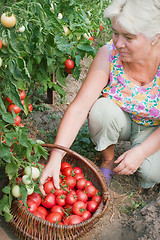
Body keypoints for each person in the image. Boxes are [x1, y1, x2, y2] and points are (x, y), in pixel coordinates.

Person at [40, 0, 160, 195]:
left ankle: (144, 157)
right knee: (101, 110)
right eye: (115, 33)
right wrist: (56, 156)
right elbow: (79, 108)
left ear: (154, 37)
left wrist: (141, 152)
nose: (118, 43)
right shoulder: (109, 54)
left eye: (128, 37)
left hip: (155, 128)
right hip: (121, 118)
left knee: (150, 174)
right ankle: (107, 160)